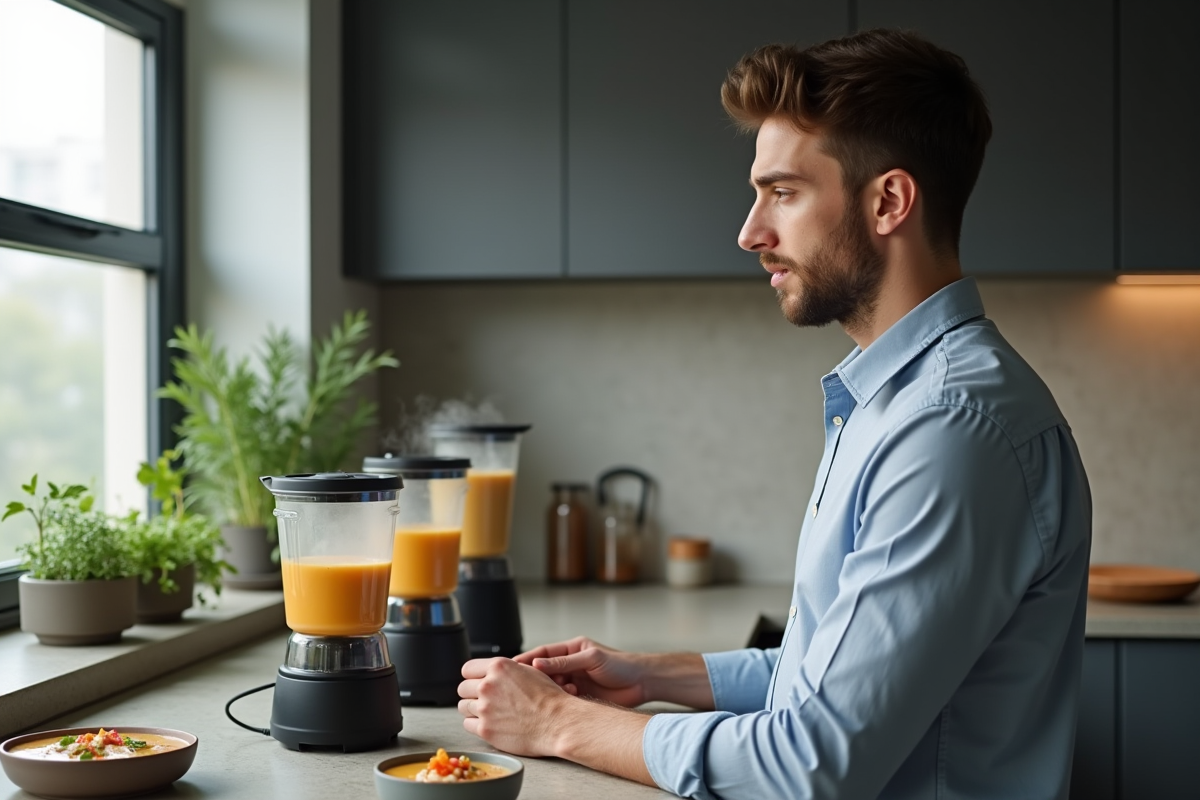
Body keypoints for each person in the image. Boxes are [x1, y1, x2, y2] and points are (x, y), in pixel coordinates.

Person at [456, 28, 1092, 800]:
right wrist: (645, 674)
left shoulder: (951, 428)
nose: (751, 231)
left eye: (783, 192)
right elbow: (833, 671)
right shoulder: (896, 400)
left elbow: (810, 764)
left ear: (888, 200)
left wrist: (558, 725)